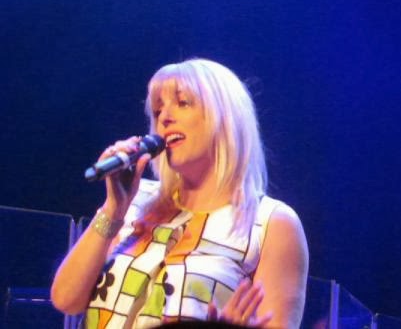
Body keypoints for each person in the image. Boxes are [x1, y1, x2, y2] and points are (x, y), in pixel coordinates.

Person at [51, 59, 309, 328]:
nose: (164, 117)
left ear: (226, 118)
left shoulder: (271, 223)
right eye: (157, 110)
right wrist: (114, 209)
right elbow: (66, 299)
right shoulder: (135, 200)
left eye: (183, 103)